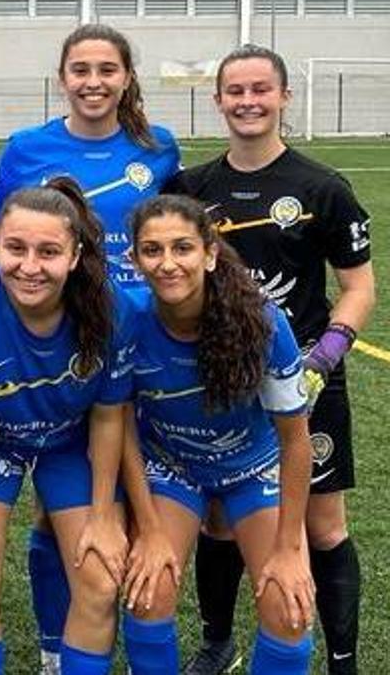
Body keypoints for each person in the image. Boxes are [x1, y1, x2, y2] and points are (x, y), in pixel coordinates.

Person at [0, 24, 180, 674]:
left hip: (118, 345)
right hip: (37, 335)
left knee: (93, 511)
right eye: (80, 70)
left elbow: (177, 238)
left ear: (125, 78)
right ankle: (53, 649)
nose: (93, 82)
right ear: (63, 77)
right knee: (46, 512)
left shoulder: (157, 149)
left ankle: (68, 648)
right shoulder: (27, 148)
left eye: (106, 70)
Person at [166, 44, 374, 675]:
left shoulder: (322, 188)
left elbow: (359, 285)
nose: (248, 101)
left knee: (323, 527)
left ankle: (342, 661)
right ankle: (219, 643)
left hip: (304, 381)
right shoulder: (191, 189)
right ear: (218, 100)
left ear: (284, 97)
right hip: (217, 382)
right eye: (236, 91)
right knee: (220, 522)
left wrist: (328, 353)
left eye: (261, 89)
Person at [0, 178, 134, 675]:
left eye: (49, 252)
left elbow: (109, 418)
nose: (30, 266)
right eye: (15, 248)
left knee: (102, 577)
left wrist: (105, 514)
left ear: (76, 254)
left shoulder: (110, 308)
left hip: (68, 444)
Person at [119, 194, 316, 674]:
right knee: (148, 593)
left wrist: (290, 549)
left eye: (182, 248)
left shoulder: (263, 323)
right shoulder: (125, 319)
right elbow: (117, 424)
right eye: (152, 250)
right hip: (171, 466)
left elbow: (295, 441)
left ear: (209, 253)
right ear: (134, 259)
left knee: (288, 610)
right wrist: (146, 528)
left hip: (252, 467)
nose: (168, 264)